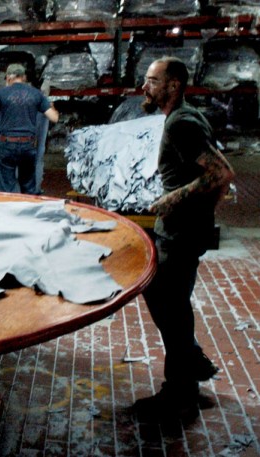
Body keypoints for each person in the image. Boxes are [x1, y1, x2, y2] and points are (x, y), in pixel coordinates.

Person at [133, 57, 235, 421]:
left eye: (152, 81)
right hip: (182, 231)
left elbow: (221, 173)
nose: (145, 87)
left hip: (179, 234)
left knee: (169, 308)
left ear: (173, 85)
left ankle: (179, 396)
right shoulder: (183, 117)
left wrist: (169, 200)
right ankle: (189, 371)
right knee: (166, 303)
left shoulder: (182, 123)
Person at [0, 63, 59, 194]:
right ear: (24, 78)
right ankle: (28, 211)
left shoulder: (1, 93)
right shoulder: (36, 94)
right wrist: (51, 106)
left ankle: (8, 211)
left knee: (6, 190)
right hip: (28, 145)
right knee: (29, 189)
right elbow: (54, 118)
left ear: (8, 78)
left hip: (6, 145)